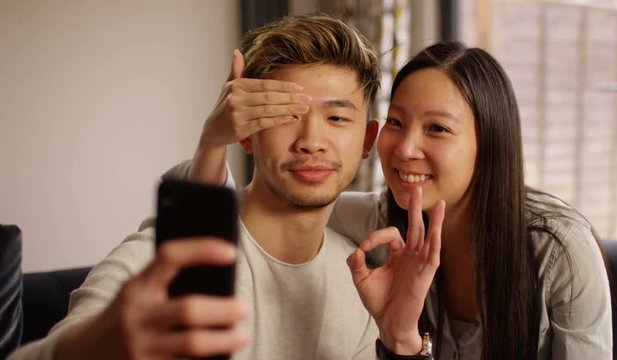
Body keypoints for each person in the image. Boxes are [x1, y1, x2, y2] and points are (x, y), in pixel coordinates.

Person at [191, 41, 612, 359]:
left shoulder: (560, 251)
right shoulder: (376, 223)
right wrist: (214, 141)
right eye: (396, 121)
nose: (405, 148)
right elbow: (249, 209)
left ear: (489, 145)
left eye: (438, 129)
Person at [9, 14, 382, 360]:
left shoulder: (364, 283)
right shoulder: (162, 260)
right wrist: (93, 345)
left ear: (367, 140)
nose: (311, 141)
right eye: (285, 114)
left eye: (336, 118)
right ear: (246, 133)